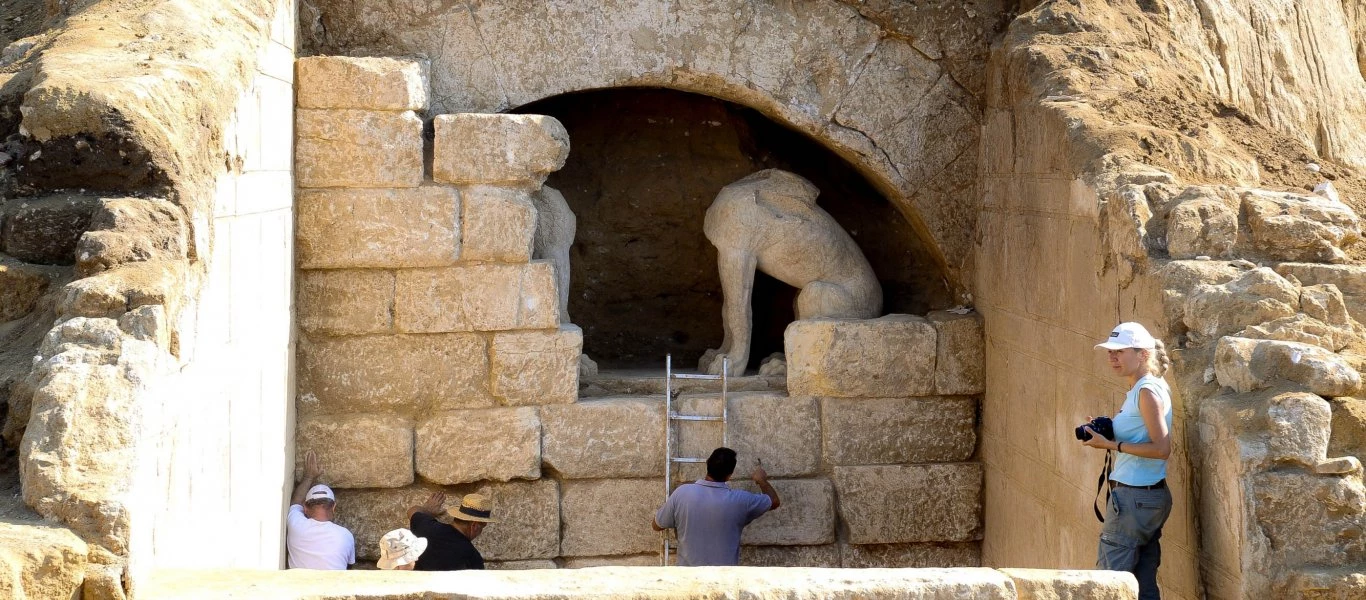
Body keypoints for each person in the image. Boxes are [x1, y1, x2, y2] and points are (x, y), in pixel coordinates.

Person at [1082, 322, 1174, 600]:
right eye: (1110, 352)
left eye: (1120, 352)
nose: (1112, 357)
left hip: (1134, 499)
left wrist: (1111, 444)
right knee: (1142, 584)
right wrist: (1109, 429)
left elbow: (1162, 448)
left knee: (1109, 583)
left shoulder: (1146, 392)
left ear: (1143, 354)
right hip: (1147, 497)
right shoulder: (1150, 386)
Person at [651, 447, 781, 566]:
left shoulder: (682, 493)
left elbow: (656, 525)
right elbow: (774, 501)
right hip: (722, 582)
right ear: (730, 475)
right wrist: (761, 480)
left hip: (687, 581)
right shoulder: (741, 500)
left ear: (707, 464)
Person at [286, 450, 356, 569]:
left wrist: (308, 476)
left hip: (298, 587)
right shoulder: (346, 535)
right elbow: (349, 566)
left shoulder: (296, 525)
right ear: (334, 507)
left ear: (305, 508)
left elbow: (295, 502)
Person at [406, 491, 495, 571]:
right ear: (474, 525)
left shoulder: (427, 527)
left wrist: (428, 511)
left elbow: (412, 510)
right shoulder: (472, 556)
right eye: (483, 526)